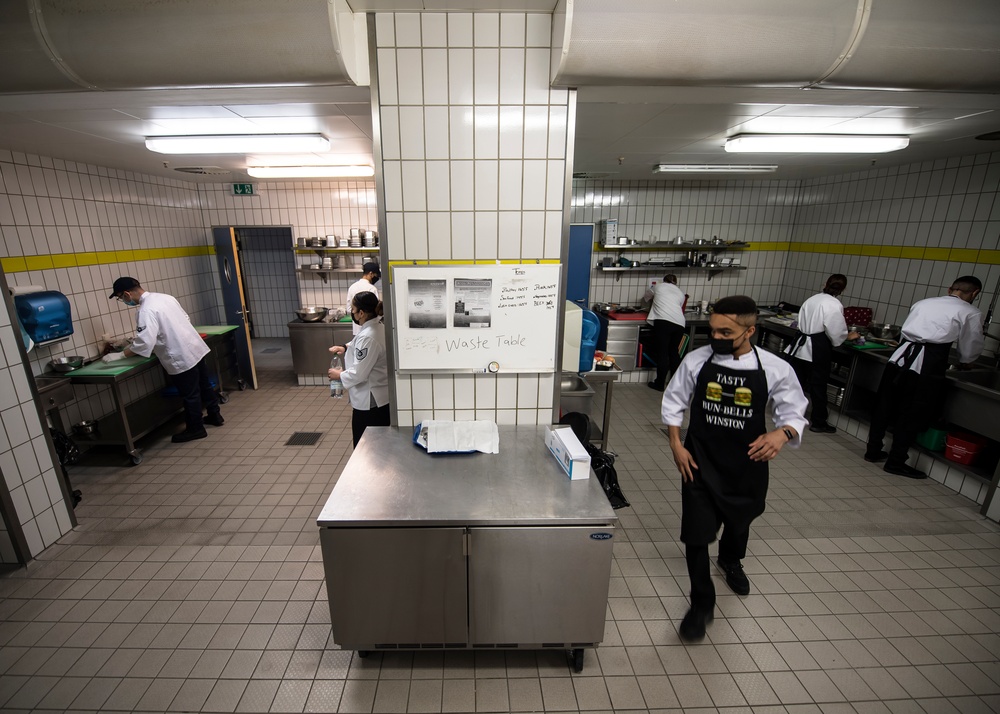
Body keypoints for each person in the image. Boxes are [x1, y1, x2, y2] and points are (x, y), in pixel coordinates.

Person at [661, 295, 807, 641]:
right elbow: (674, 402)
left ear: (750, 331)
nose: (717, 338)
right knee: (696, 535)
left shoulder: (775, 368)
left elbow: (794, 413)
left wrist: (782, 434)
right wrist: (676, 446)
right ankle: (701, 605)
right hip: (699, 459)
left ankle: (730, 560)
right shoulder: (697, 361)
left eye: (726, 332)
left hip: (746, 462)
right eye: (713, 331)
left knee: (741, 517)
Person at [865, 276, 985, 478]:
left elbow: (906, 332)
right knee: (912, 412)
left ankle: (873, 450)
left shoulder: (923, 303)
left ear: (950, 289)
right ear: (974, 294)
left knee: (885, 405)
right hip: (927, 361)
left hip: (899, 357)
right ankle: (895, 462)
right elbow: (970, 343)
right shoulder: (970, 311)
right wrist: (967, 361)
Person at [104, 277, 222, 443]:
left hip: (180, 355)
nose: (123, 301)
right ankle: (215, 415)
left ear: (127, 294)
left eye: (120, 297)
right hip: (194, 347)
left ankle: (196, 429)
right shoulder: (165, 297)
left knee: (190, 394)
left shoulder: (145, 310)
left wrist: (121, 354)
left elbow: (145, 341)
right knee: (204, 385)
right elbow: (185, 318)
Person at [784, 274, 860, 433]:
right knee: (818, 386)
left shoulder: (812, 299)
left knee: (796, 384)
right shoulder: (833, 304)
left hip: (800, 347)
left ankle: (789, 417)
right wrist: (847, 336)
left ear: (825, 284)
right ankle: (818, 422)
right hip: (816, 348)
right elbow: (836, 331)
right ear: (843, 289)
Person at [328, 291, 390, 447]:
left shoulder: (369, 336)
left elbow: (359, 373)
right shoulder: (377, 326)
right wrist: (345, 347)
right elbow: (359, 344)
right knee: (377, 446)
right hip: (378, 397)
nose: (352, 313)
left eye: (353, 310)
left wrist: (339, 375)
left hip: (370, 402)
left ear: (361, 313)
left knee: (366, 448)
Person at [643, 274, 687, 391]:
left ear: (664, 280)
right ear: (675, 282)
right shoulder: (681, 293)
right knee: (674, 353)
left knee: (663, 352)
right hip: (680, 323)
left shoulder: (658, 287)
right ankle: (675, 385)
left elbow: (646, 297)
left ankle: (659, 384)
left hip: (663, 322)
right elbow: (677, 306)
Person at [346, 262, 381, 335]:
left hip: (357, 329)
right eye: (376, 275)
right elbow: (376, 310)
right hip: (371, 329)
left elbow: (349, 309)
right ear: (371, 274)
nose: (376, 278)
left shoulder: (352, 287)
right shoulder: (372, 288)